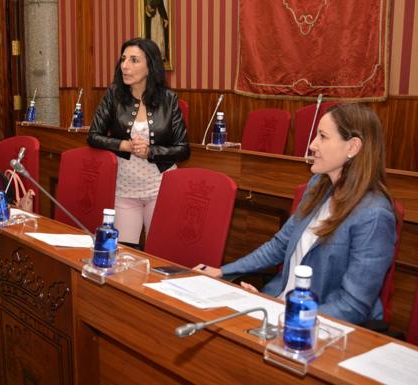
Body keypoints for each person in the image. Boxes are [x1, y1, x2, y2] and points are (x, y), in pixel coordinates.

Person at [194, 103, 397, 325]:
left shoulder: (374, 214)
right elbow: (279, 245)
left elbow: (352, 306)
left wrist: (287, 317)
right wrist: (223, 272)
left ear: (353, 147)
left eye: (323, 136)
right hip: (279, 309)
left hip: (323, 327)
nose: (312, 145)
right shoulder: (318, 185)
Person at [87, 37, 189, 246]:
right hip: (124, 189)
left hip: (159, 189)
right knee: (123, 253)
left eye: (134, 60)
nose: (125, 66)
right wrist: (122, 145)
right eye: (123, 59)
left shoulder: (169, 99)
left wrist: (151, 152)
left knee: (158, 254)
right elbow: (93, 135)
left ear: (150, 66)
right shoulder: (113, 95)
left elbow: (183, 149)